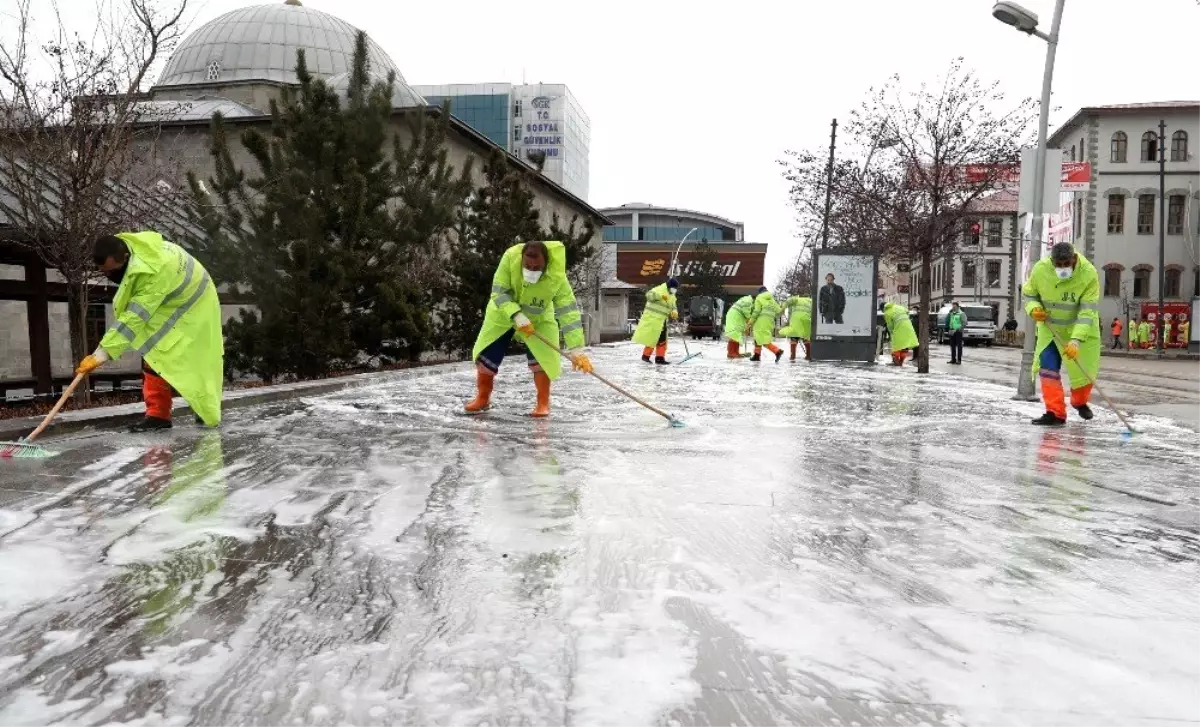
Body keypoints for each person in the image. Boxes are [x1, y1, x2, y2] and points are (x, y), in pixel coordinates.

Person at [77, 232, 223, 431]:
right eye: (104, 272)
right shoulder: (133, 251)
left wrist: (102, 353)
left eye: (112, 272)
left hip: (195, 304)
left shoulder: (154, 271)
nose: (109, 277)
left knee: (186, 357)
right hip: (171, 299)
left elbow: (134, 317)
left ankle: (198, 409)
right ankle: (159, 415)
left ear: (125, 258)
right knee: (154, 353)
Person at [465, 240, 592, 418]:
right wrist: (516, 315)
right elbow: (499, 292)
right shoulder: (510, 258)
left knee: (543, 358)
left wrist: (576, 349)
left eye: (536, 268)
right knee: (488, 354)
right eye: (527, 266)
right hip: (503, 314)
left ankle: (543, 403)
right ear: (522, 259)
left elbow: (568, 311)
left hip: (539, 317)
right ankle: (483, 397)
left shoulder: (556, 277)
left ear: (546, 264)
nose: (531, 271)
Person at [1021, 241, 1101, 426]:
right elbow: (1029, 294)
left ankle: (1079, 402)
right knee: (1048, 369)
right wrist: (1034, 309)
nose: (1063, 268)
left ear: (1074, 259)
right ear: (1052, 261)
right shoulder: (1040, 270)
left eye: (1067, 264)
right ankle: (1055, 413)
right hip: (1050, 329)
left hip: (1080, 329)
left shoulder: (1088, 274)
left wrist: (1076, 340)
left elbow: (1087, 311)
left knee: (1084, 372)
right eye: (1059, 265)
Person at [632, 277, 679, 364]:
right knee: (652, 338)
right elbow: (649, 296)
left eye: (675, 288)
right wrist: (659, 296)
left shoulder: (672, 295)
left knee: (662, 339)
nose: (674, 290)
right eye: (673, 288)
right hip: (652, 319)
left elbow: (673, 305)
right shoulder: (659, 289)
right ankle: (645, 356)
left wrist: (674, 311)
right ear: (669, 286)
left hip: (662, 320)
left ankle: (660, 358)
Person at [749, 286, 784, 362]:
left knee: (762, 339)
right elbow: (779, 312)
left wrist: (751, 321)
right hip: (770, 322)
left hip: (760, 321)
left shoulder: (759, 298)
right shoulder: (772, 300)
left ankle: (777, 351)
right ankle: (756, 356)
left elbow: (756, 311)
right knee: (758, 338)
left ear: (760, 292)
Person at [881, 302, 918, 366]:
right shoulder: (898, 307)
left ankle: (896, 363)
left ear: (883, 308)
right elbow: (907, 311)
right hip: (908, 327)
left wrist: (891, 332)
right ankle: (901, 362)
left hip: (898, 329)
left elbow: (890, 325)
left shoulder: (887, 313)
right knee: (904, 345)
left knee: (896, 346)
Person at [779, 294, 813, 360]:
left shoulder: (796, 299)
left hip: (796, 320)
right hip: (807, 320)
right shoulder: (811, 301)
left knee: (794, 337)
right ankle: (808, 356)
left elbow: (788, 301)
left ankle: (792, 356)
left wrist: (782, 309)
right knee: (806, 338)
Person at [723, 294, 754, 359]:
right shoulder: (748, 301)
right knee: (734, 334)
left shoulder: (747, 300)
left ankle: (735, 352)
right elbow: (746, 312)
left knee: (736, 335)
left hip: (735, 316)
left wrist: (747, 326)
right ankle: (731, 353)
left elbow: (744, 313)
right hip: (735, 317)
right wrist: (749, 320)